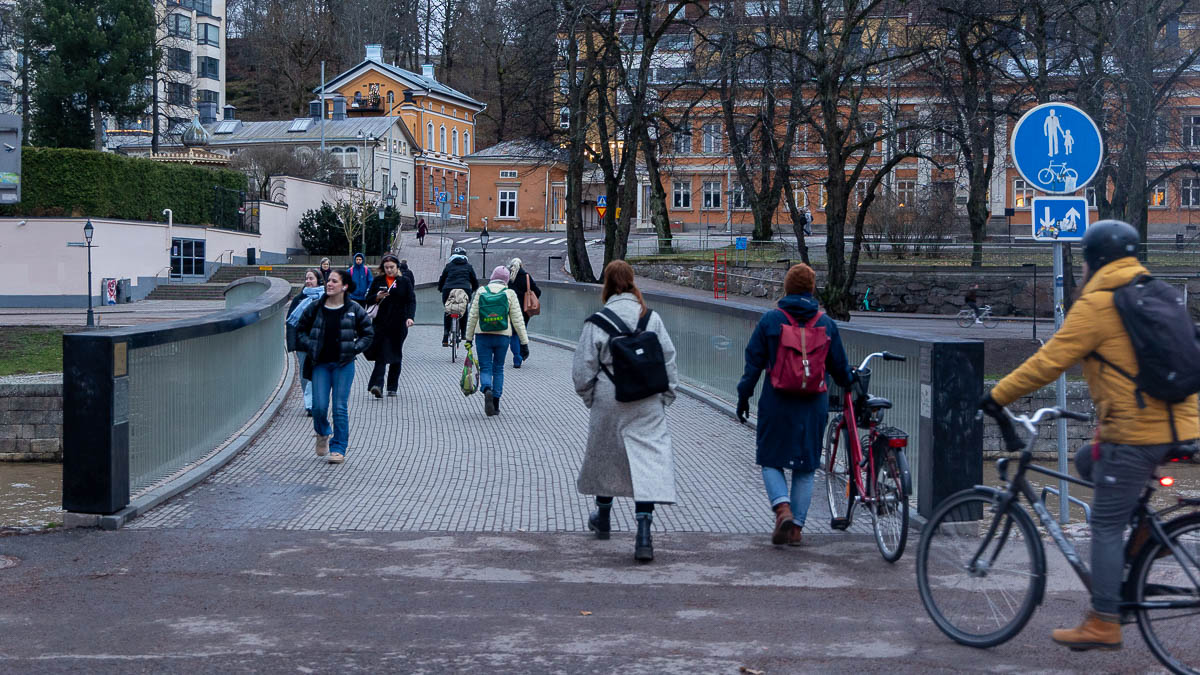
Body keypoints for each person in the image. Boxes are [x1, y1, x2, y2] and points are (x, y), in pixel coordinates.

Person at [980, 220, 1199, 651]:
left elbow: (1049, 361)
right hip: (1182, 422)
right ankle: (1146, 533)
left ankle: (1103, 620)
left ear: (1094, 261)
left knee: (1103, 522)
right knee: (1086, 460)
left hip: (1137, 432)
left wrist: (996, 395)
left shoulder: (1099, 303)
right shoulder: (1156, 291)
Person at [736, 264, 854, 547]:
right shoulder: (826, 324)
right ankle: (797, 529)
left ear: (787, 288)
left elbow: (753, 363)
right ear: (812, 289)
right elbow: (840, 369)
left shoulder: (771, 320)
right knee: (806, 466)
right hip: (813, 404)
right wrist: (852, 385)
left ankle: (782, 509)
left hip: (776, 401)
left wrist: (744, 396)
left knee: (770, 459)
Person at [572, 260, 679, 563]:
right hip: (648, 397)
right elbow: (668, 359)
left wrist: (591, 398)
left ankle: (603, 517)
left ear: (606, 285)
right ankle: (643, 533)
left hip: (609, 395)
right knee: (646, 461)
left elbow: (582, 370)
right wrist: (666, 396)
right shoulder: (651, 318)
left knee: (606, 455)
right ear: (633, 282)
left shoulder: (597, 322)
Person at [296, 268, 374, 465]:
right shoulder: (315, 307)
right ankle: (322, 432)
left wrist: (354, 349)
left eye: (334, 281)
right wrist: (309, 345)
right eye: (328, 281)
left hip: (343, 364)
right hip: (320, 364)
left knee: (339, 407)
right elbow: (300, 329)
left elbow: (368, 333)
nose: (329, 284)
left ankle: (338, 448)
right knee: (319, 407)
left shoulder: (354, 308)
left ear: (344, 286)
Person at [465, 265, 529, 417]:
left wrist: (468, 338)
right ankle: (496, 403)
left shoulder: (481, 291)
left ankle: (487, 388)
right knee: (498, 368)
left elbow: (473, 316)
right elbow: (518, 320)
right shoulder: (509, 293)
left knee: (485, 367)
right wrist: (524, 343)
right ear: (506, 280)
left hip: (483, 336)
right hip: (502, 336)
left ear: (492, 277)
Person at [364, 254, 416, 399]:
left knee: (396, 353)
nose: (389, 270)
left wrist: (410, 317)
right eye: (386, 267)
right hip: (381, 323)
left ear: (397, 267)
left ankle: (392, 386)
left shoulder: (404, 281)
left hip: (399, 323)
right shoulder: (378, 281)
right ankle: (377, 385)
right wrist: (377, 297)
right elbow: (367, 299)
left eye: (392, 267)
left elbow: (411, 300)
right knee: (382, 353)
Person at [286, 269, 324, 416]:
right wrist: (292, 344)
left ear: (318, 280)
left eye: (311, 278)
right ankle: (309, 403)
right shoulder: (299, 299)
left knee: (318, 373)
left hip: (320, 343)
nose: (308, 281)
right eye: (307, 278)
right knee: (304, 375)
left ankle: (314, 403)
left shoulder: (325, 298)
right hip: (302, 343)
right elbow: (291, 322)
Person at [438, 246, 479, 346]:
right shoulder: (468, 267)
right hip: (464, 289)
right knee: (464, 309)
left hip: (448, 290)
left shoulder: (448, 266)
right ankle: (464, 333)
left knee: (448, 309)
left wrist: (440, 289)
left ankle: (445, 336)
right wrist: (473, 290)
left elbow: (442, 279)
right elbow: (474, 281)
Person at [506, 257, 541, 368]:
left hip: (511, 309)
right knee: (522, 331)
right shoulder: (526, 276)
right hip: (524, 310)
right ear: (521, 265)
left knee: (513, 334)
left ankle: (517, 357)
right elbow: (538, 291)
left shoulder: (508, 277)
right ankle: (523, 351)